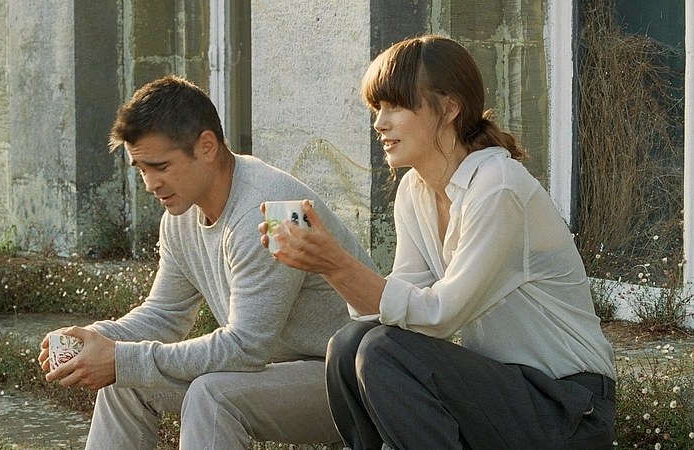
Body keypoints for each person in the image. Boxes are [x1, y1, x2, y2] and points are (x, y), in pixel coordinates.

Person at [260, 35, 616, 449]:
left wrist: (336, 262)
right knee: (347, 346)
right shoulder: (415, 191)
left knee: (380, 351)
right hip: (504, 397)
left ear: (449, 108)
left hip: (569, 409)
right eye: (377, 108)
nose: (380, 123)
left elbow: (440, 315)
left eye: (396, 106)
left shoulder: (498, 188)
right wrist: (323, 264)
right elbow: (398, 310)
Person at [37, 75, 378, 449]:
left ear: (207, 146)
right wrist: (96, 339)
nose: (150, 184)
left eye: (160, 166)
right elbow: (164, 315)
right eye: (141, 169)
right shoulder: (180, 217)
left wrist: (121, 358)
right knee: (125, 382)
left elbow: (245, 349)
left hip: (351, 380)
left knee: (209, 393)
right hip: (278, 372)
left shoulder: (269, 212)